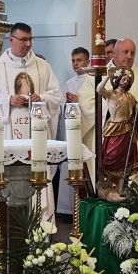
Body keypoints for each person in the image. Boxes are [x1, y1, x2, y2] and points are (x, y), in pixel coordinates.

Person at [0, 23, 61, 220]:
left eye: (31, 39)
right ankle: (6, 225)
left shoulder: (42, 66)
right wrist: (8, 100)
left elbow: (56, 95)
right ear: (11, 40)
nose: (28, 44)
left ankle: (41, 226)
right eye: (23, 40)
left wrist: (42, 98)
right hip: (7, 137)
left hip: (36, 136)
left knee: (38, 177)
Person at [87, 38, 138, 198]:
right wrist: (111, 111)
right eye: (125, 52)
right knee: (108, 163)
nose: (129, 56)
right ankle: (107, 190)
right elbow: (87, 101)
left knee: (129, 170)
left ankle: (130, 199)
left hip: (131, 136)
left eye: (132, 53)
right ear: (114, 53)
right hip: (109, 133)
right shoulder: (98, 75)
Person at [56, 47, 92, 215]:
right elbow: (60, 106)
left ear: (88, 61)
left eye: (79, 60)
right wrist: (67, 103)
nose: (75, 64)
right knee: (68, 164)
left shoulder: (92, 80)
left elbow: (96, 106)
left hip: (87, 130)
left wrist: (79, 101)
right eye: (73, 60)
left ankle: (85, 207)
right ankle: (67, 209)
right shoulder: (69, 83)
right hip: (70, 129)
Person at [96, 67, 138, 199]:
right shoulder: (111, 94)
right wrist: (107, 76)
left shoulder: (130, 97)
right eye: (124, 79)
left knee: (123, 159)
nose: (126, 82)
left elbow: (135, 112)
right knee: (110, 156)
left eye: (128, 80)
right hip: (113, 128)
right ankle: (108, 182)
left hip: (126, 129)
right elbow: (99, 89)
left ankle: (120, 187)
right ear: (118, 80)